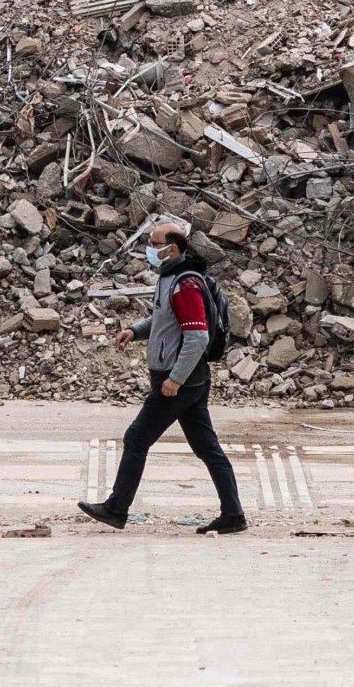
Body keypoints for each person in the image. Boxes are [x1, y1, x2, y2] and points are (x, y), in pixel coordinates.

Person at [82, 216, 247, 534]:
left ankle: (116, 509)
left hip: (180, 381)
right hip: (189, 379)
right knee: (207, 447)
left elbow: (196, 337)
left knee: (136, 437)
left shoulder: (184, 284)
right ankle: (233, 514)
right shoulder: (170, 278)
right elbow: (164, 321)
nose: (148, 249)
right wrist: (135, 330)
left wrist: (175, 379)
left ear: (172, 249)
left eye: (154, 244)